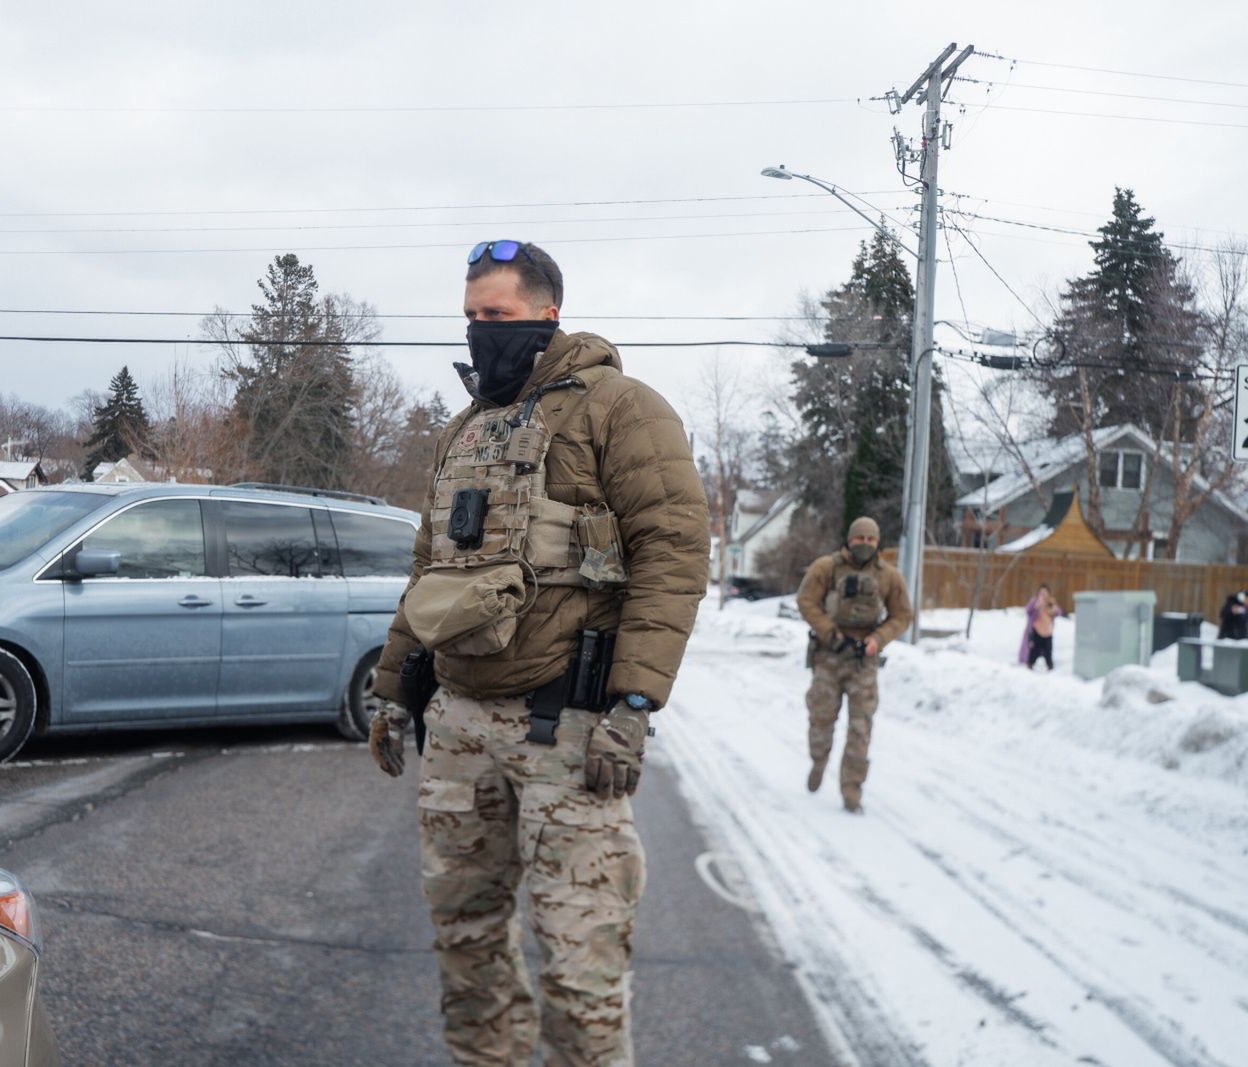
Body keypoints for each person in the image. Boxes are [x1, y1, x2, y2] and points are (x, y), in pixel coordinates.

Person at [365, 240, 710, 1066]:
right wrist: (392, 689)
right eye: (472, 317)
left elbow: (674, 553)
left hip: (568, 730)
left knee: (580, 971)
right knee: (467, 949)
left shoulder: (620, 408)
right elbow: (432, 573)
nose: (483, 332)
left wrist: (633, 703)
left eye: (500, 316)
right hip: (457, 730)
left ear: (548, 313)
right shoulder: (466, 427)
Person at [795, 517, 913, 813]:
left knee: (860, 728)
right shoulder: (827, 567)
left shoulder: (889, 576)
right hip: (829, 656)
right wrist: (830, 634)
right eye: (859, 538)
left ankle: (851, 790)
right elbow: (806, 600)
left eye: (871, 540)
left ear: (878, 542)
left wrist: (878, 639)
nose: (865, 544)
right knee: (821, 719)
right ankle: (818, 762)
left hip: (864, 661)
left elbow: (902, 615)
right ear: (850, 539)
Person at [1019, 583, 1064, 670]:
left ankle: (1050, 665)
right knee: (1035, 649)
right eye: (1041, 592)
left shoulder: (1050, 601)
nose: (1043, 594)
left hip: (1048, 631)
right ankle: (1030, 663)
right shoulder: (1035, 601)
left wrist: (1053, 609)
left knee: (1048, 650)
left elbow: (1058, 612)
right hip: (1036, 629)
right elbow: (1028, 610)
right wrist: (1036, 606)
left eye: (1045, 592)